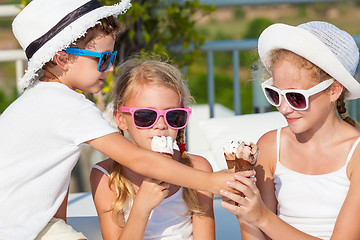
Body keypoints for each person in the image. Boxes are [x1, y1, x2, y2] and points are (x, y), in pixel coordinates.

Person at [0, 0, 240, 239]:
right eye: (103, 59)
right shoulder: (69, 106)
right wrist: (210, 181)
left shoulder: (40, 99)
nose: (111, 68)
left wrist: (62, 225)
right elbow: (138, 160)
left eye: (112, 57)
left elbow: (57, 185)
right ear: (63, 59)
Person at [220, 21, 360, 240]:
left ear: (334, 90)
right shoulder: (270, 146)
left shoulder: (356, 155)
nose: (283, 108)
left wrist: (262, 217)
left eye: (296, 97)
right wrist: (245, 214)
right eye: (275, 95)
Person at [90, 57, 215, 240]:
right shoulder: (106, 177)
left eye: (173, 116)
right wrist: (141, 207)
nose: (161, 125)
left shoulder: (197, 168)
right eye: (146, 116)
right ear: (120, 119)